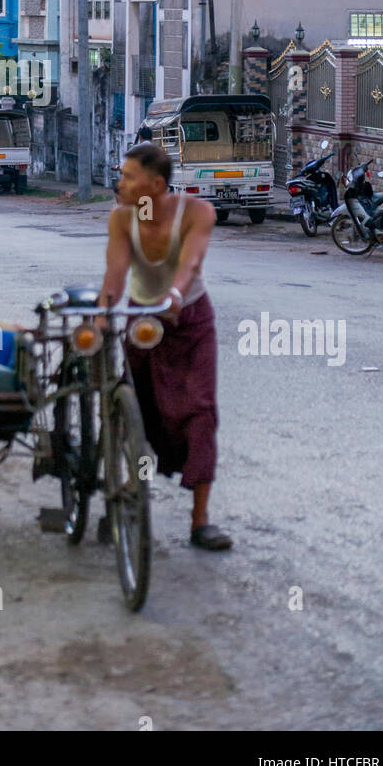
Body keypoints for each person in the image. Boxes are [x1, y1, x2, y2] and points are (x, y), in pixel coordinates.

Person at [97, 142, 230, 552]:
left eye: (128, 176)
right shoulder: (123, 219)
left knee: (200, 411)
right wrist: (103, 313)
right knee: (137, 410)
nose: (120, 183)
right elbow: (116, 275)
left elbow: (190, 264)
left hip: (190, 321)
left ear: (155, 184)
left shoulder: (196, 213)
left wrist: (173, 294)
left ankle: (200, 520)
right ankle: (123, 492)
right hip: (142, 324)